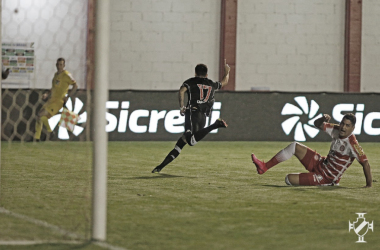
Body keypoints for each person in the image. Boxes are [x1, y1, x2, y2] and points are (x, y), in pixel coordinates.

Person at [251, 113, 372, 187]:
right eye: (342, 123)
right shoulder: (336, 129)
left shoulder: (353, 144)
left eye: (347, 125)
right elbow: (317, 124)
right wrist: (322, 119)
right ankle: (264, 167)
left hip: (326, 178)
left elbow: (365, 163)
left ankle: (324, 183)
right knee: (295, 146)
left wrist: (369, 185)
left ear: (353, 128)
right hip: (321, 163)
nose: (343, 127)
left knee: (288, 179)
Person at [152, 60, 231, 173]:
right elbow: (224, 82)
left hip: (192, 112)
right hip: (203, 117)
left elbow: (181, 91)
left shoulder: (190, 82)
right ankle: (160, 167)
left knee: (191, 141)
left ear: (195, 73)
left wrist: (181, 107)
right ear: (206, 74)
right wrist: (226, 72)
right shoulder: (211, 83)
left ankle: (215, 125)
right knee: (182, 142)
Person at [34, 58, 78, 141]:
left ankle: (49, 132)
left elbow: (75, 86)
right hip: (51, 100)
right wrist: (47, 94)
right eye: (58, 64)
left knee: (41, 115)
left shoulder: (67, 75)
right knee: (39, 116)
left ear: (64, 65)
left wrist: (68, 96)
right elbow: (54, 88)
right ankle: (37, 138)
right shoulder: (55, 75)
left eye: (61, 65)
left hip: (58, 101)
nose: (59, 66)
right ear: (56, 65)